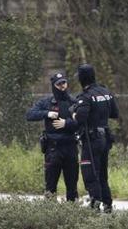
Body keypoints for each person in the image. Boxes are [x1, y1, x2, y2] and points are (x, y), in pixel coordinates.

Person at [25, 71, 80, 202]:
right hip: (53, 148)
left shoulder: (73, 102)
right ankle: (50, 217)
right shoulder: (47, 102)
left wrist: (66, 123)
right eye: (59, 84)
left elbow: (82, 122)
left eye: (64, 83)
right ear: (54, 85)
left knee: (72, 186)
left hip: (70, 147)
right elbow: (30, 115)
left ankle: (74, 215)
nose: (62, 86)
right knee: (50, 186)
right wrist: (47, 113)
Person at [71, 64, 119, 212]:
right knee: (102, 173)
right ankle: (108, 204)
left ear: (81, 79)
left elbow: (80, 118)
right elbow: (114, 113)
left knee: (90, 173)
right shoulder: (106, 92)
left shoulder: (85, 96)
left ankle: (95, 205)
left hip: (92, 140)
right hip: (105, 138)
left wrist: (73, 113)